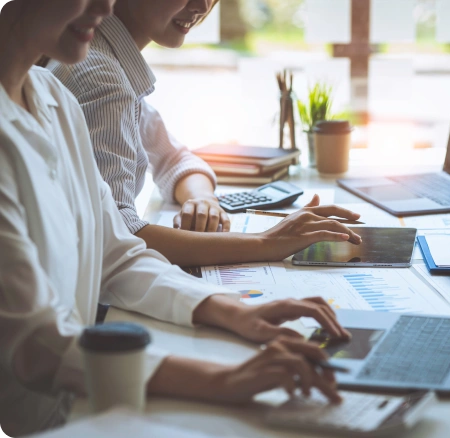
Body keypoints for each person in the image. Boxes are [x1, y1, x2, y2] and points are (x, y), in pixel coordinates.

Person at [0, 0, 351, 436]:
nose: (105, 5)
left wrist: (229, 310)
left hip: (76, 402)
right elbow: (36, 344)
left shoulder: (52, 97)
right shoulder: (77, 83)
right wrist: (221, 379)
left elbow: (117, 252)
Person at [49, 0, 363, 267]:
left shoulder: (111, 64)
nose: (202, 6)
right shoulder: (102, 79)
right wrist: (267, 242)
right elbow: (118, 237)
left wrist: (202, 198)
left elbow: (173, 157)